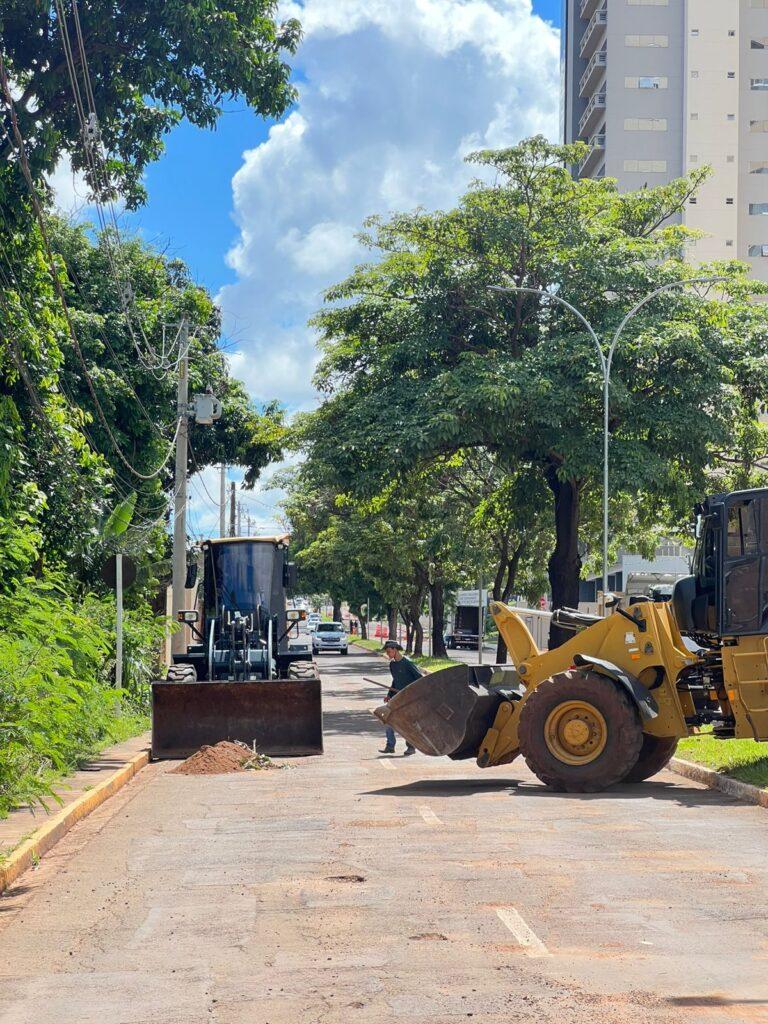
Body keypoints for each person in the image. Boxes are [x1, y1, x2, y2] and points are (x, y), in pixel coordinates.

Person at [380, 639, 423, 755]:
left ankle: (411, 747)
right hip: (397, 697)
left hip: (409, 699)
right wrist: (389, 695)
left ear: (395, 650)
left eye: (389, 651)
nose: (388, 654)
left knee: (407, 723)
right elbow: (395, 681)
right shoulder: (392, 665)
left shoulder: (408, 663)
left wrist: (412, 693)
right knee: (388, 720)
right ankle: (390, 746)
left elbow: (420, 679)